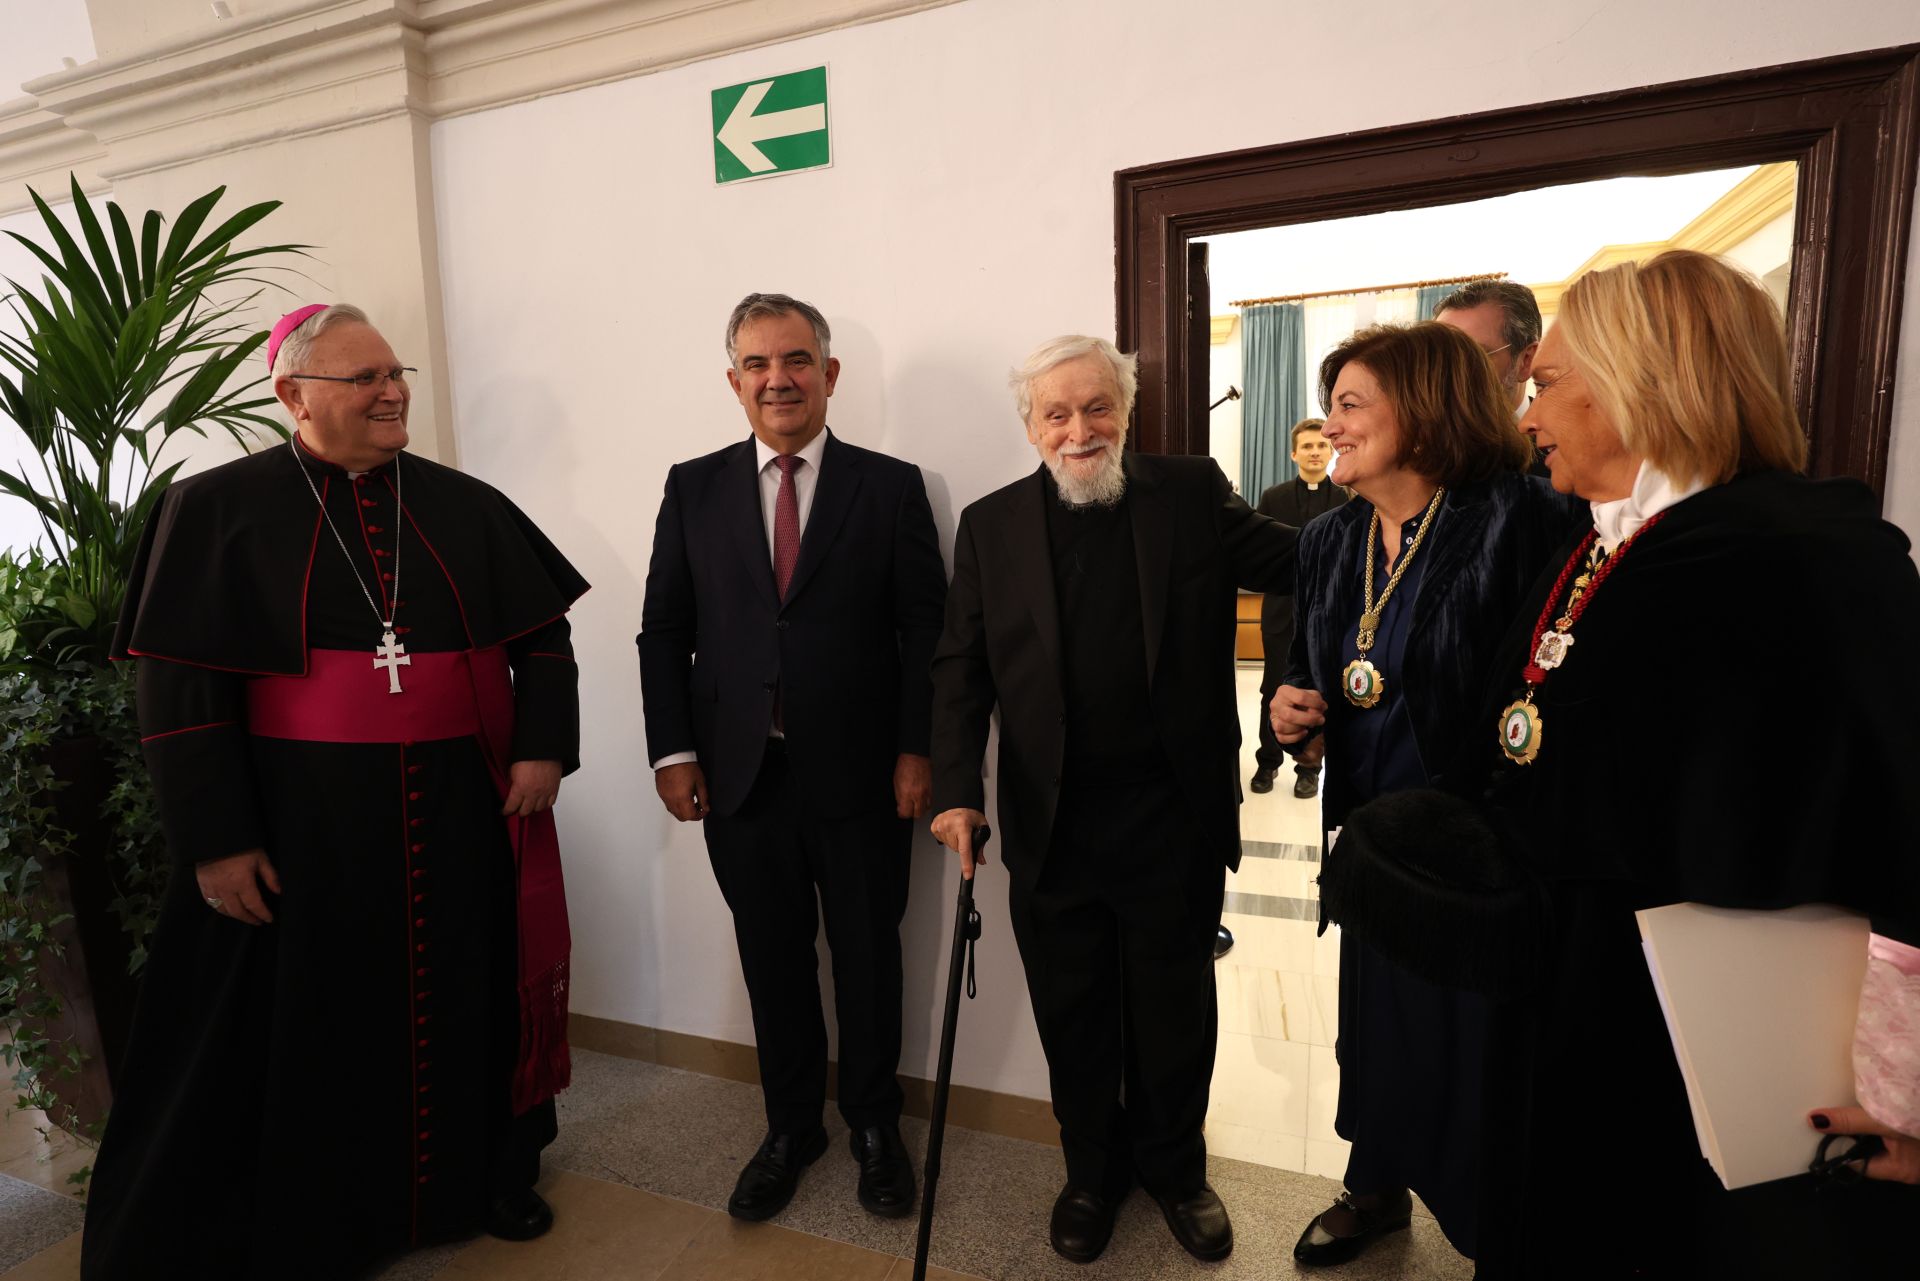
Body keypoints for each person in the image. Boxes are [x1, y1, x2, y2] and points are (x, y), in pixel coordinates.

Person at [1329, 251, 1920, 1276]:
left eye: (1547, 383)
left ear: (1645, 381)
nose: (1527, 416)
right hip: (1575, 1017)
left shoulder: (1802, 568)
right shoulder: (1603, 549)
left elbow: (1882, 830)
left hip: (1719, 1060)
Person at [84, 304, 588, 1280]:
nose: (392, 391)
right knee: (320, 1020)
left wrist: (541, 751)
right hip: (299, 812)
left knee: (469, 990)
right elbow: (178, 692)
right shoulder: (214, 508)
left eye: (394, 373)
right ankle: (331, 1211)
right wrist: (218, 838)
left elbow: (543, 641)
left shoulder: (464, 504)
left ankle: (486, 1174)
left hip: (455, 804)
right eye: (364, 379)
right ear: (294, 395)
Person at [928, 335, 1296, 1265]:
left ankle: (1176, 1170)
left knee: (1174, 1005)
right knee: (1075, 1007)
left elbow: (1307, 564)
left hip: (1171, 811)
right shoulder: (991, 523)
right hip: (1055, 820)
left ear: (1126, 415)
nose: (1079, 428)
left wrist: (1400, 498)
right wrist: (956, 791)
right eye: (1057, 412)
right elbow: (960, 669)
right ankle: (1091, 1172)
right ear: (1031, 426)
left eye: (1098, 408)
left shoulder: (1188, 491)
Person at [1267, 322, 1577, 1268]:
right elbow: (1315, 663)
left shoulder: (1520, 518)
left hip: (1474, 850)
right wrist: (1293, 709)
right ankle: (1376, 1188)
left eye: (1353, 403)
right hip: (1373, 842)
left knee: (1475, 1045)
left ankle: (1496, 1225)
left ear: (1426, 410)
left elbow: (1551, 682)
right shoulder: (1329, 537)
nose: (1332, 423)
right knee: (1381, 1029)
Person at [637, 293, 946, 1224]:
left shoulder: (890, 486)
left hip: (861, 778)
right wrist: (672, 750)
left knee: (867, 958)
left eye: (798, 359)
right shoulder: (692, 487)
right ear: (734, 380)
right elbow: (665, 630)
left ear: (830, 373)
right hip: (740, 778)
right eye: (759, 364)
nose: (780, 378)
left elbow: (925, 634)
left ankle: (874, 1126)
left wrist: (915, 748)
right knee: (771, 960)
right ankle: (789, 1126)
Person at [1253, 418, 1348, 798]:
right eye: (1307, 447)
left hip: (1328, 613)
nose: (1314, 452)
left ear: (1330, 451)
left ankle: (1309, 767)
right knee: (1272, 687)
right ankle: (1267, 761)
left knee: (1320, 690)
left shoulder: (1347, 498)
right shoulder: (1273, 497)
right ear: (1294, 454)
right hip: (1280, 612)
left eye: (1320, 446)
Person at [1434, 278, 1548, 477]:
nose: (1447, 371)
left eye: (1472, 355)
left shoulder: (1565, 453)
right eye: (1438, 356)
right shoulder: (1414, 451)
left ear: (1526, 360)